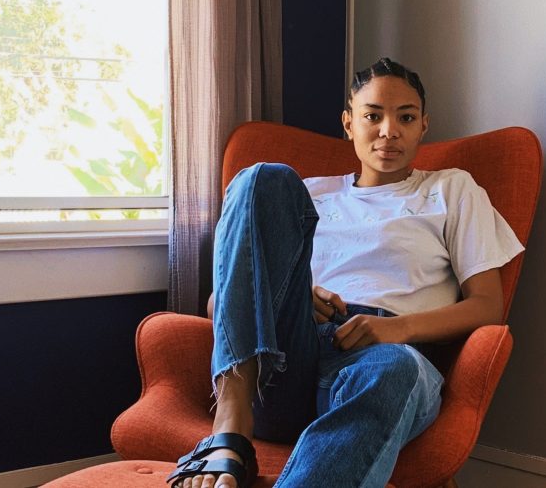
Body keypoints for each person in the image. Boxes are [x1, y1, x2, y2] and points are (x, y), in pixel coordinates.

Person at [167, 58, 524, 488]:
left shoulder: (451, 189)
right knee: (262, 178)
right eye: (372, 115)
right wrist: (297, 297)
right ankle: (230, 430)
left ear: (423, 125)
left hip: (383, 359)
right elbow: (218, 304)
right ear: (349, 122)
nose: (389, 130)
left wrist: (397, 330)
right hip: (287, 359)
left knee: (393, 369)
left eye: (405, 117)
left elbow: (488, 306)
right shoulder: (308, 194)